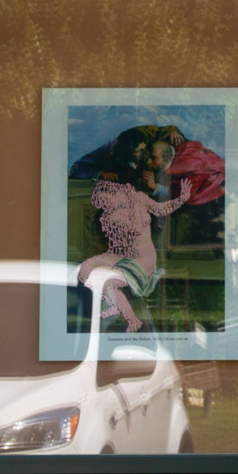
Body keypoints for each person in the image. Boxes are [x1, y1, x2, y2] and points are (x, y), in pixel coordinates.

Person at [77, 125, 190, 333]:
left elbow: (162, 207)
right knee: (83, 271)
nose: (144, 158)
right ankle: (115, 305)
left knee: (106, 281)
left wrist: (180, 198)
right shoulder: (114, 202)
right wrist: (102, 175)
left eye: (145, 153)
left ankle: (132, 319)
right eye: (139, 152)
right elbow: (80, 170)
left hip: (140, 262)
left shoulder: (139, 197)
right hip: (121, 256)